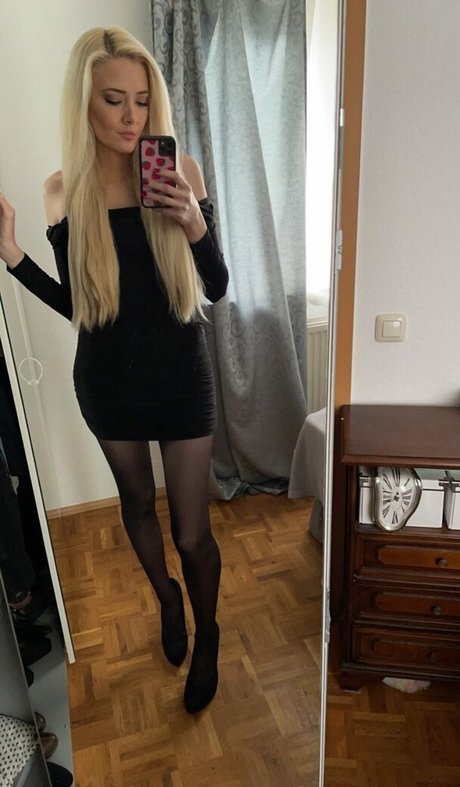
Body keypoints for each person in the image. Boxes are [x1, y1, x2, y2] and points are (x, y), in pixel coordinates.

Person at [0, 26, 229, 714]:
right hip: (108, 380)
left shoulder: (180, 171)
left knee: (192, 532)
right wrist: (12, 255)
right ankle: (166, 600)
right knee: (135, 504)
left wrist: (194, 226)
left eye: (142, 99)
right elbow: (83, 306)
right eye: (113, 100)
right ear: (85, 104)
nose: (132, 117)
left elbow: (216, 286)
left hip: (182, 375)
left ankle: (210, 632)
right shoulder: (63, 191)